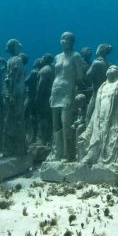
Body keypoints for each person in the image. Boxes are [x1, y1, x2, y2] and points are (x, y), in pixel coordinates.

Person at [79, 65, 118, 165]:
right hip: (100, 119)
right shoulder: (102, 87)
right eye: (109, 68)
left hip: (115, 120)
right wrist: (89, 129)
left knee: (112, 141)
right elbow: (96, 109)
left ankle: (115, 160)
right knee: (97, 136)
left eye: (114, 68)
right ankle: (92, 155)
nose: (111, 68)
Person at [50, 32, 85, 161]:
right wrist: (51, 94)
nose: (63, 41)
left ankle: (68, 154)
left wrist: (74, 93)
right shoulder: (57, 57)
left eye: (66, 38)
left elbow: (80, 77)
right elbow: (55, 75)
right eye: (62, 38)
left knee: (66, 123)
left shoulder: (76, 56)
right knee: (56, 124)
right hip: (55, 91)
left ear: (72, 41)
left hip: (68, 91)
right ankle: (57, 152)